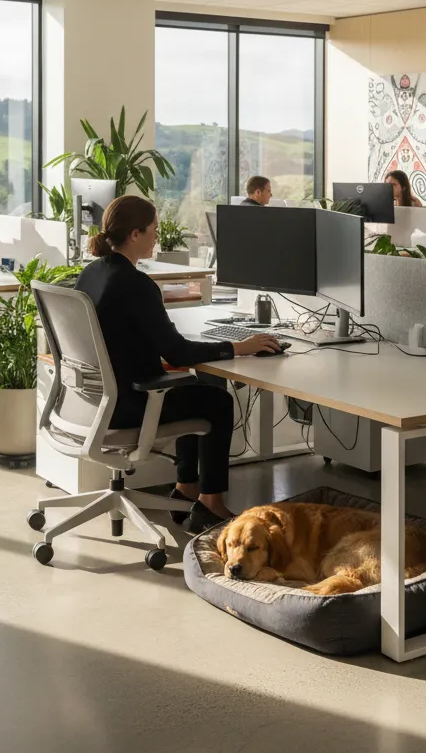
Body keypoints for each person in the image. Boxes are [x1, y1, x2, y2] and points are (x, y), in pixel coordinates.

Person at [76, 195, 281, 533]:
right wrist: (238, 347)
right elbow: (178, 353)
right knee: (217, 402)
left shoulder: (92, 273)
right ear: (135, 234)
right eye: (153, 229)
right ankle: (210, 503)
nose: (157, 236)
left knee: (194, 389)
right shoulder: (137, 285)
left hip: (96, 400)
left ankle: (186, 488)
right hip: (130, 404)